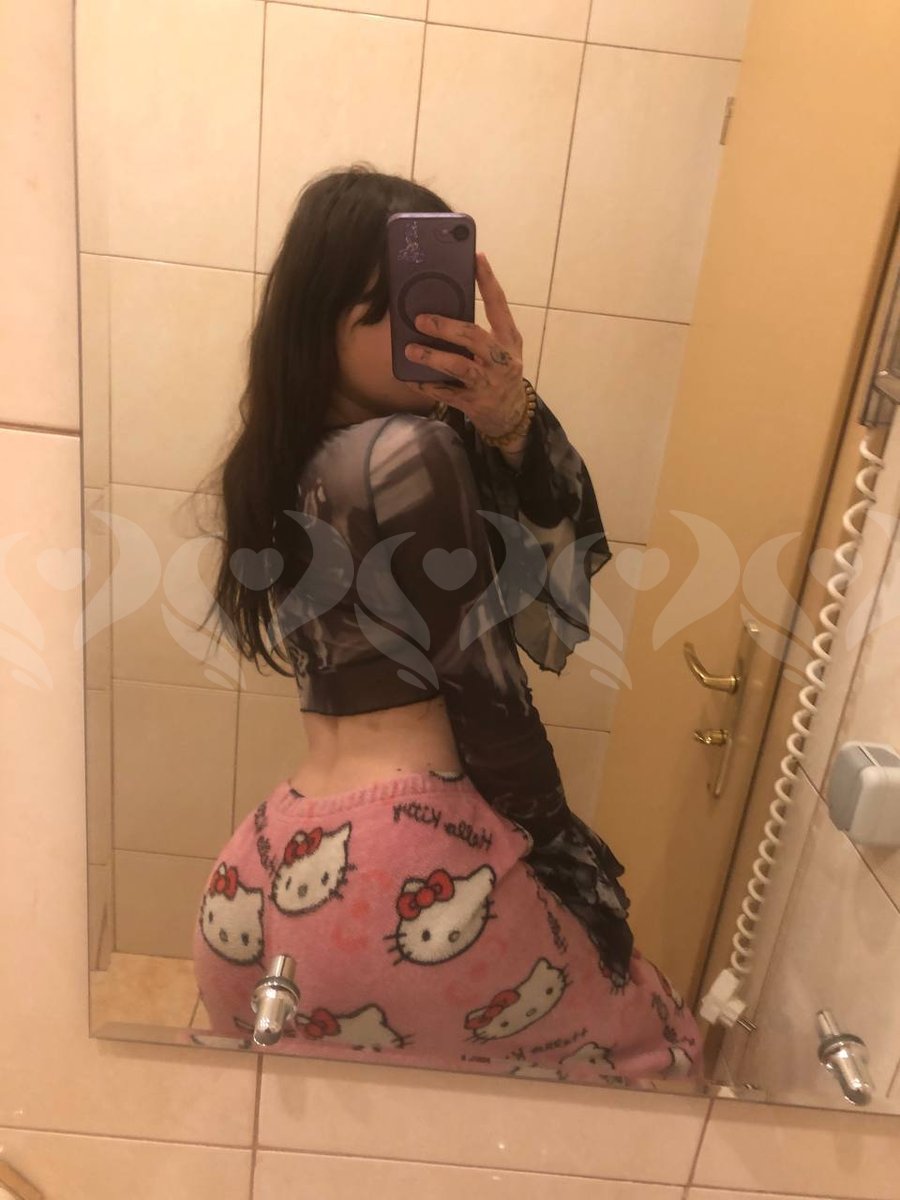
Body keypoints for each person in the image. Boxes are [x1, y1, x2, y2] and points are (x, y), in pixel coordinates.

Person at [189, 163, 702, 1085]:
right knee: (655, 1051)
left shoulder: (289, 463)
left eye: (438, 304)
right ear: (324, 322)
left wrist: (509, 421)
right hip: (412, 864)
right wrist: (563, 865)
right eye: (390, 310)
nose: (424, 330)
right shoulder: (408, 450)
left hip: (272, 864)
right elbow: (489, 687)